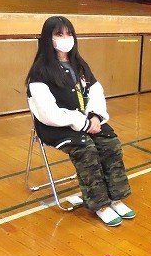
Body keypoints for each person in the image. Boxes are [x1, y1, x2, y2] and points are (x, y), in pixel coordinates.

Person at [26, 16, 134, 227]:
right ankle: (100, 204)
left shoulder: (79, 65)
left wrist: (95, 116)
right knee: (87, 150)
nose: (65, 38)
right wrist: (80, 123)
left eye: (69, 33)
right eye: (59, 34)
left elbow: (96, 92)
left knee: (110, 142)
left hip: (87, 120)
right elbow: (48, 113)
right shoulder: (40, 72)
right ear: (48, 38)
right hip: (57, 127)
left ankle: (115, 197)